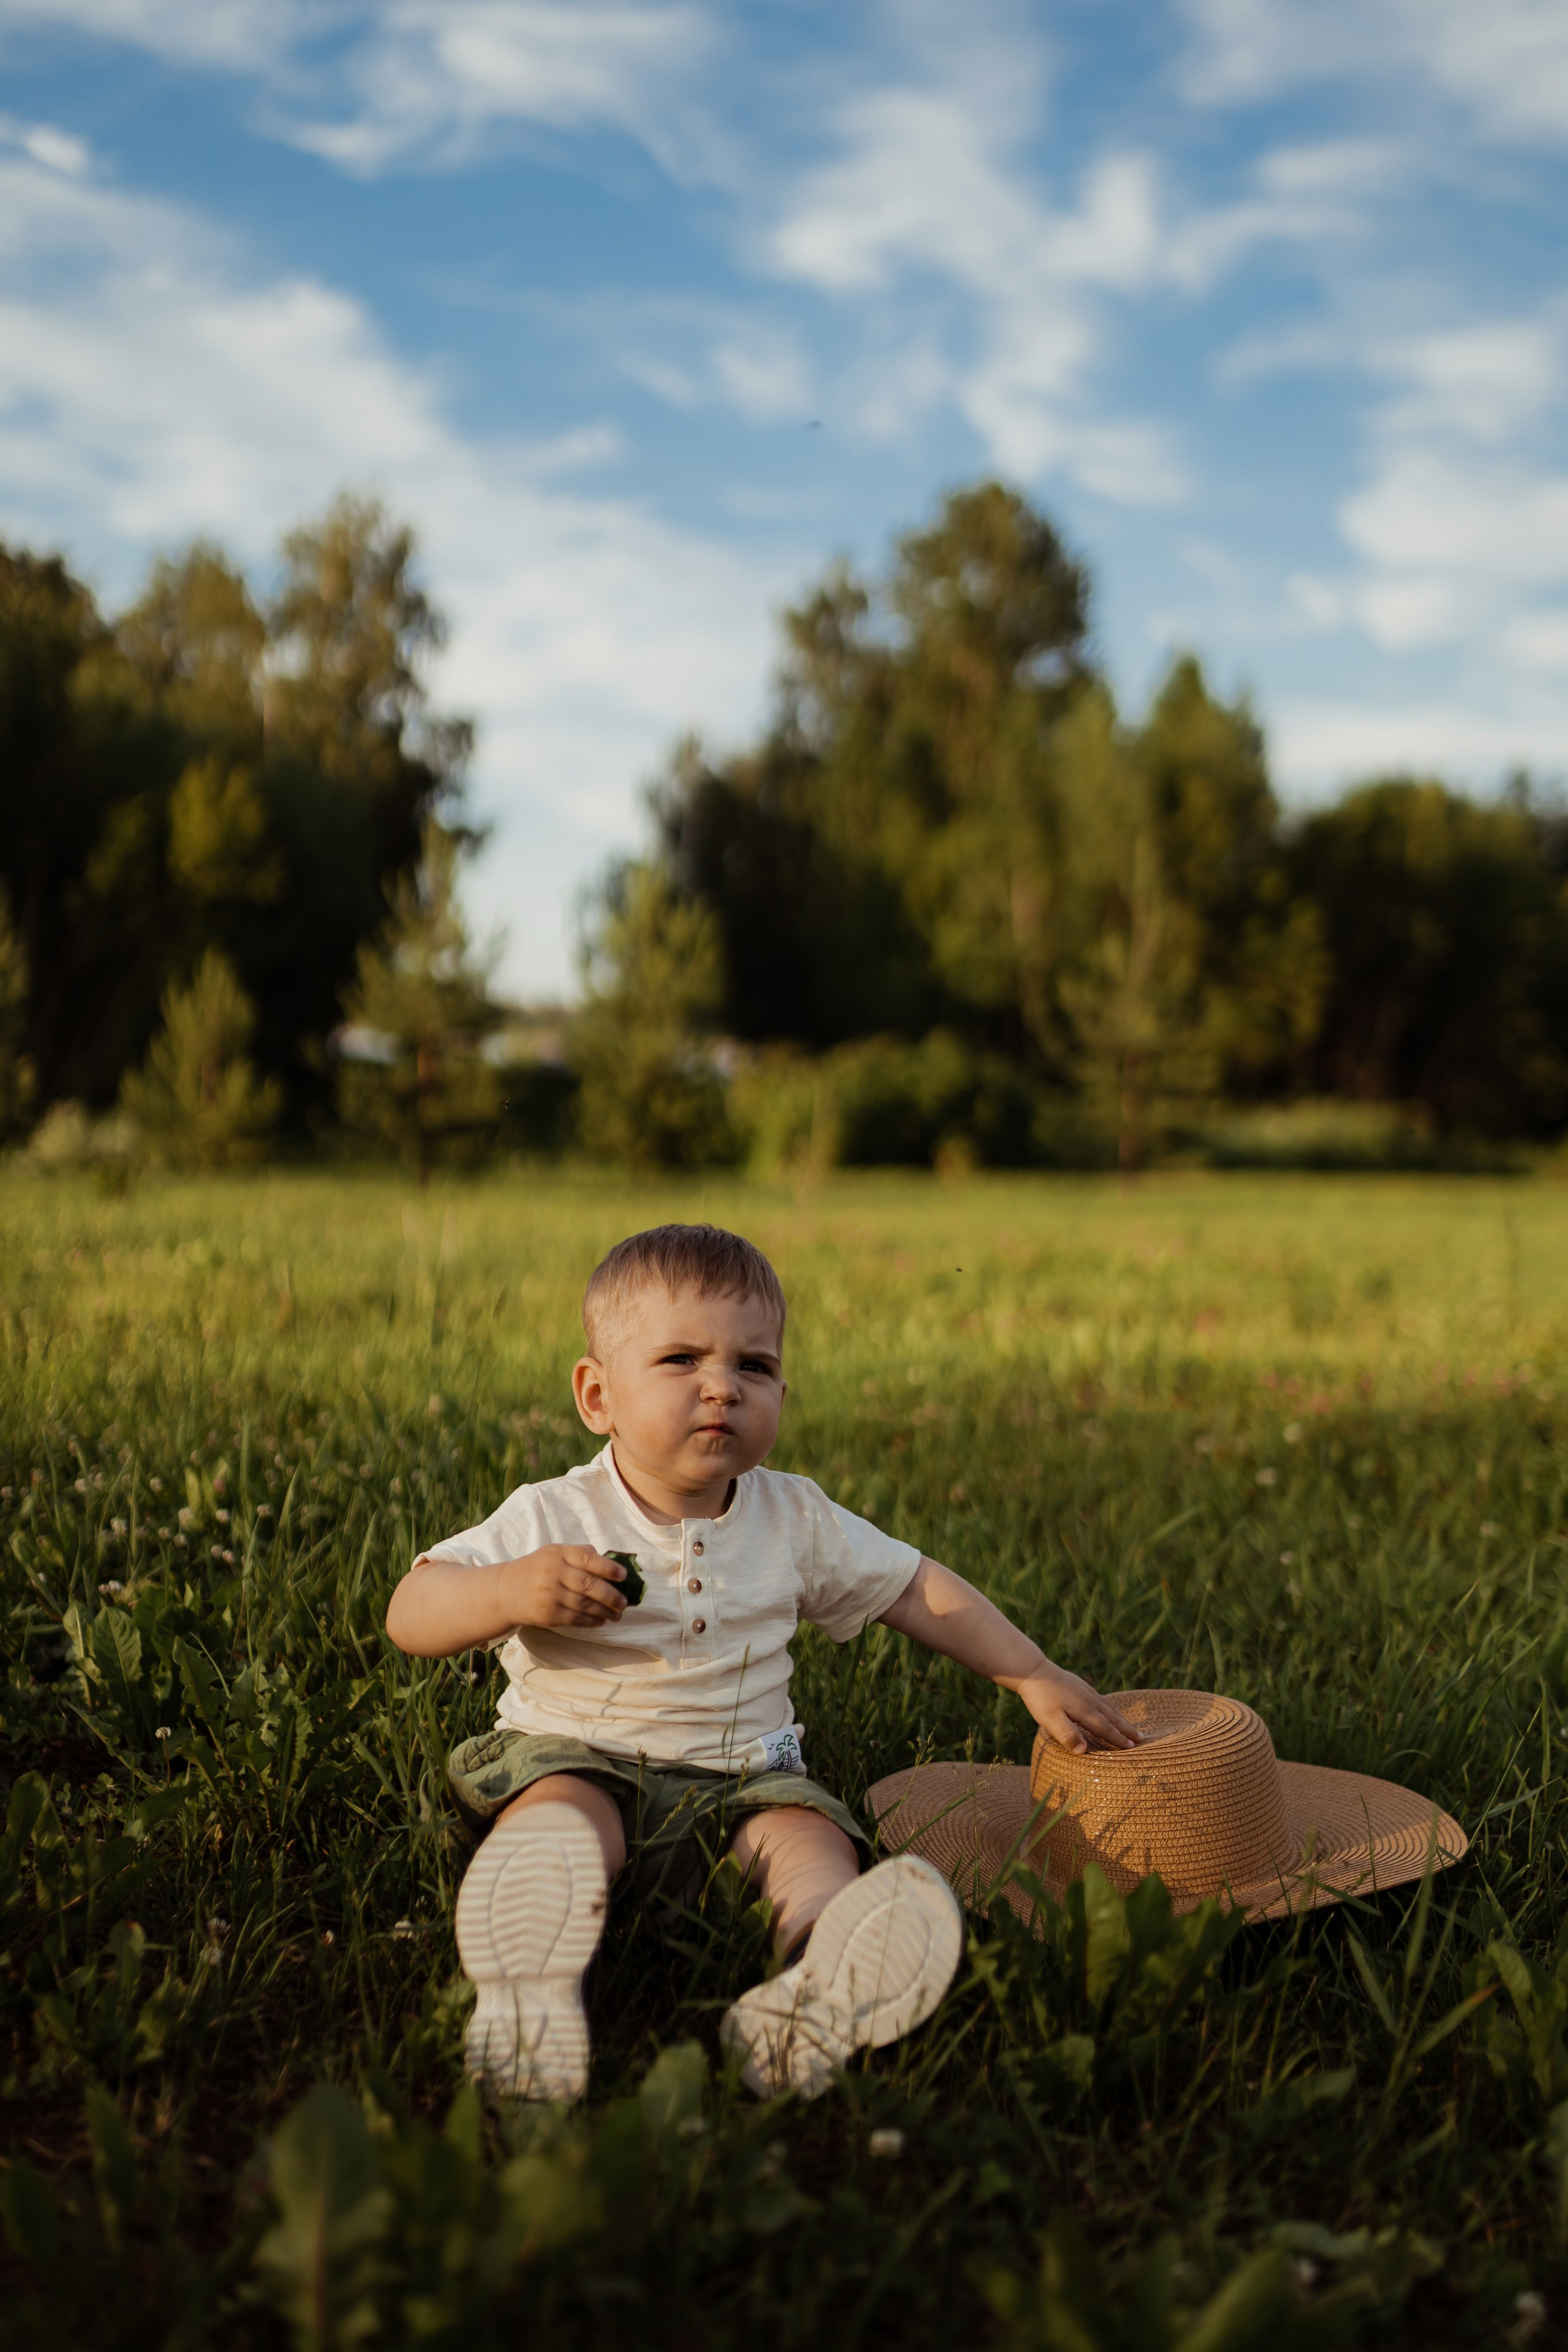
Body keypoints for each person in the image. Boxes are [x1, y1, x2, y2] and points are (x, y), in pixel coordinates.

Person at [385, 1223, 1139, 2102]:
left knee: (808, 1841)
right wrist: (509, 1591)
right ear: (598, 1396)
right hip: (580, 1756)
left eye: (754, 1366)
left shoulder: (795, 1518)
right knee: (565, 1819)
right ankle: (536, 1978)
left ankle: (817, 1973)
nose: (722, 1388)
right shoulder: (553, 1515)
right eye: (680, 1361)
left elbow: (913, 1589)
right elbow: (413, 1609)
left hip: (747, 1777)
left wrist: (1030, 1672)